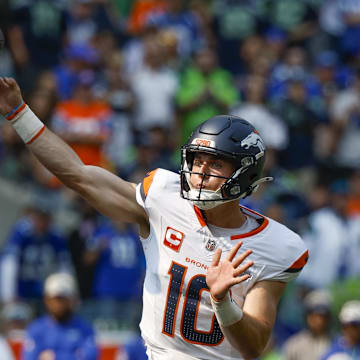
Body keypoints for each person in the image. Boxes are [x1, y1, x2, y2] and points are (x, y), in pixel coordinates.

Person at [0, 77, 308, 360]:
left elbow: (253, 346)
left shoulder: (274, 246)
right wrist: (19, 114)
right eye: (196, 160)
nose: (200, 173)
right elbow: (78, 176)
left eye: (215, 164)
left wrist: (222, 301)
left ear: (245, 174)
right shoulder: (163, 198)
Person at [22, 272, 98, 360]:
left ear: (72, 300)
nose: (59, 305)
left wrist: (55, 357)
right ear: (47, 300)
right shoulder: (36, 330)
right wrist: (73, 355)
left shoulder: (85, 330)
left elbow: (90, 356)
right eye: (56, 299)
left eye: (63, 299)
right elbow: (29, 357)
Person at [282, 289, 333, 360]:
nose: (318, 320)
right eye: (313, 315)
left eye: (322, 315)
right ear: (307, 316)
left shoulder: (337, 343)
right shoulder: (294, 345)